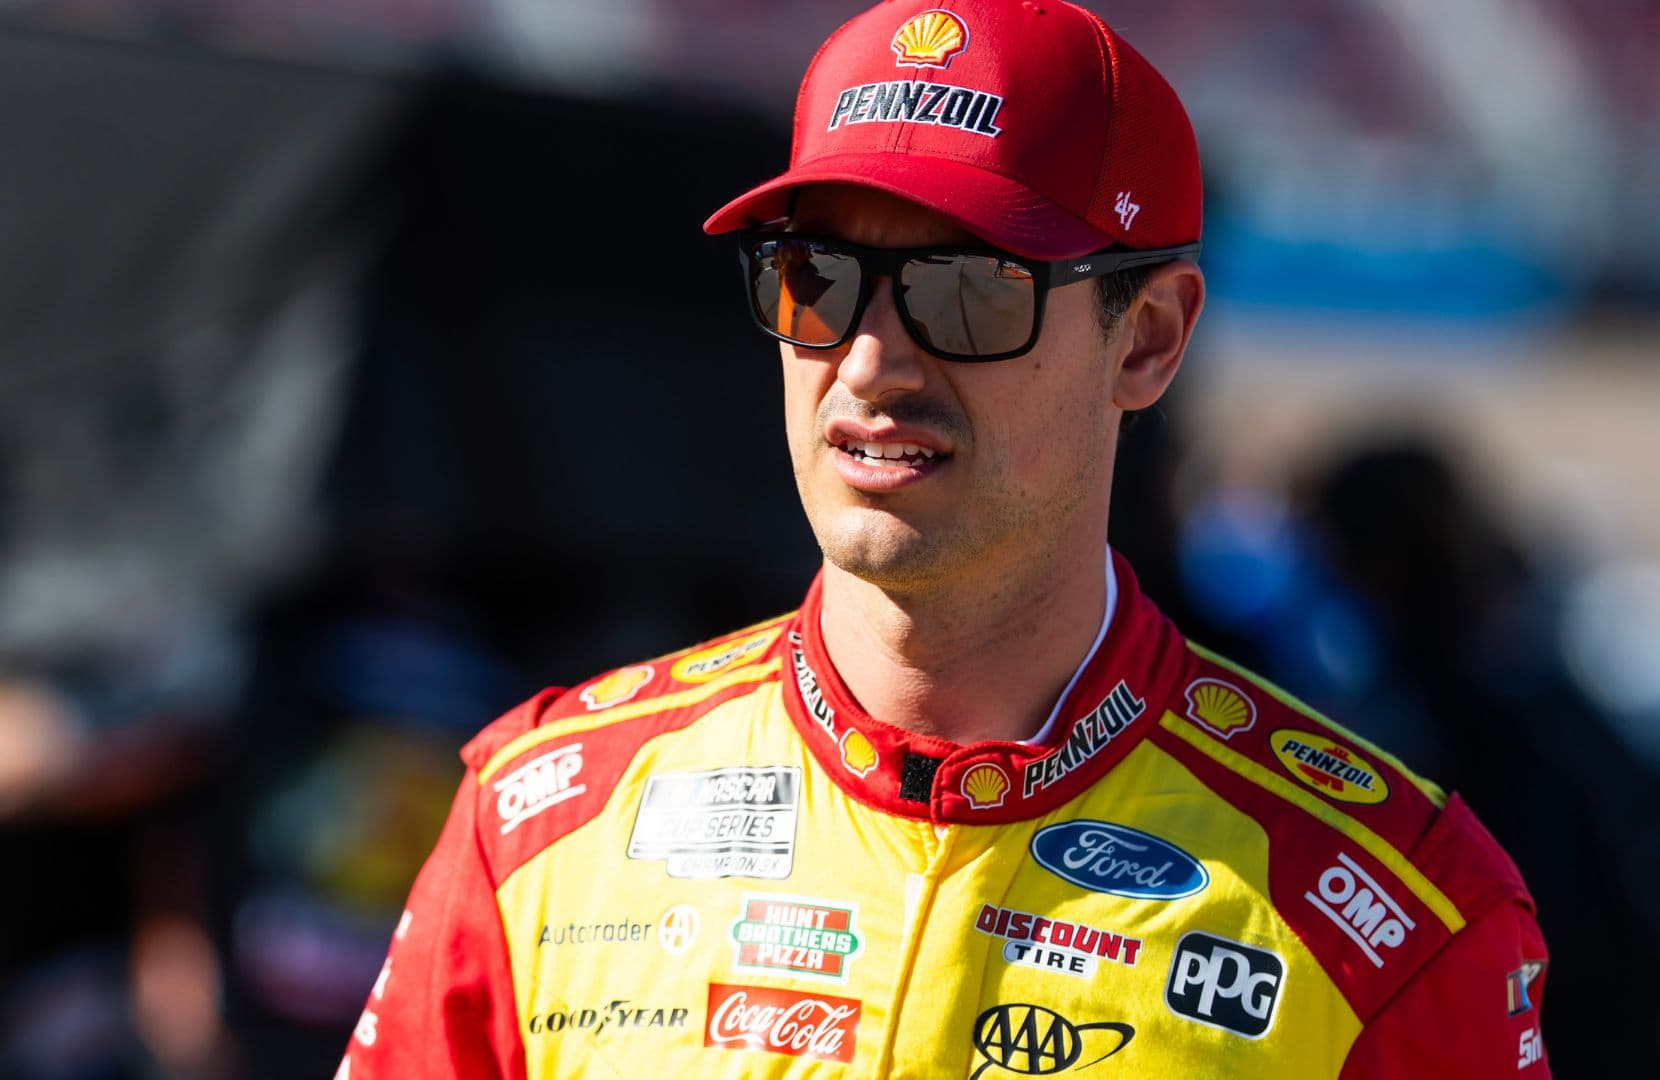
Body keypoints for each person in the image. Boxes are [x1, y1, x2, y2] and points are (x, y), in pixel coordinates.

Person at [337, 2, 1551, 1076]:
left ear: (1147, 340)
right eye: (815, 276)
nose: (868, 361)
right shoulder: (544, 822)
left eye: (966, 289)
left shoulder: (1399, 922)